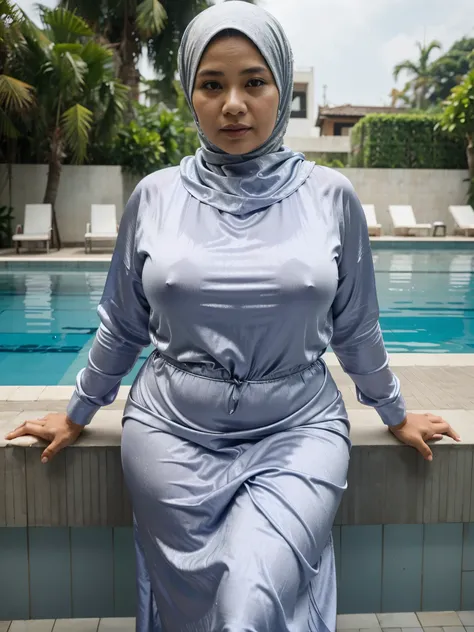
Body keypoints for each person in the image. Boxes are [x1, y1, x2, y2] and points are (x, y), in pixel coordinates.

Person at [6, 2, 460, 631]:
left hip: (296, 428)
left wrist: (396, 413)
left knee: (251, 603)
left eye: (254, 82)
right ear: (190, 92)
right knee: (193, 612)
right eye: (211, 85)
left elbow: (356, 326)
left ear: (280, 86)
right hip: (171, 432)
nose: (234, 104)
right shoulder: (155, 196)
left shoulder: (331, 196)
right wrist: (77, 412)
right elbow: (123, 324)